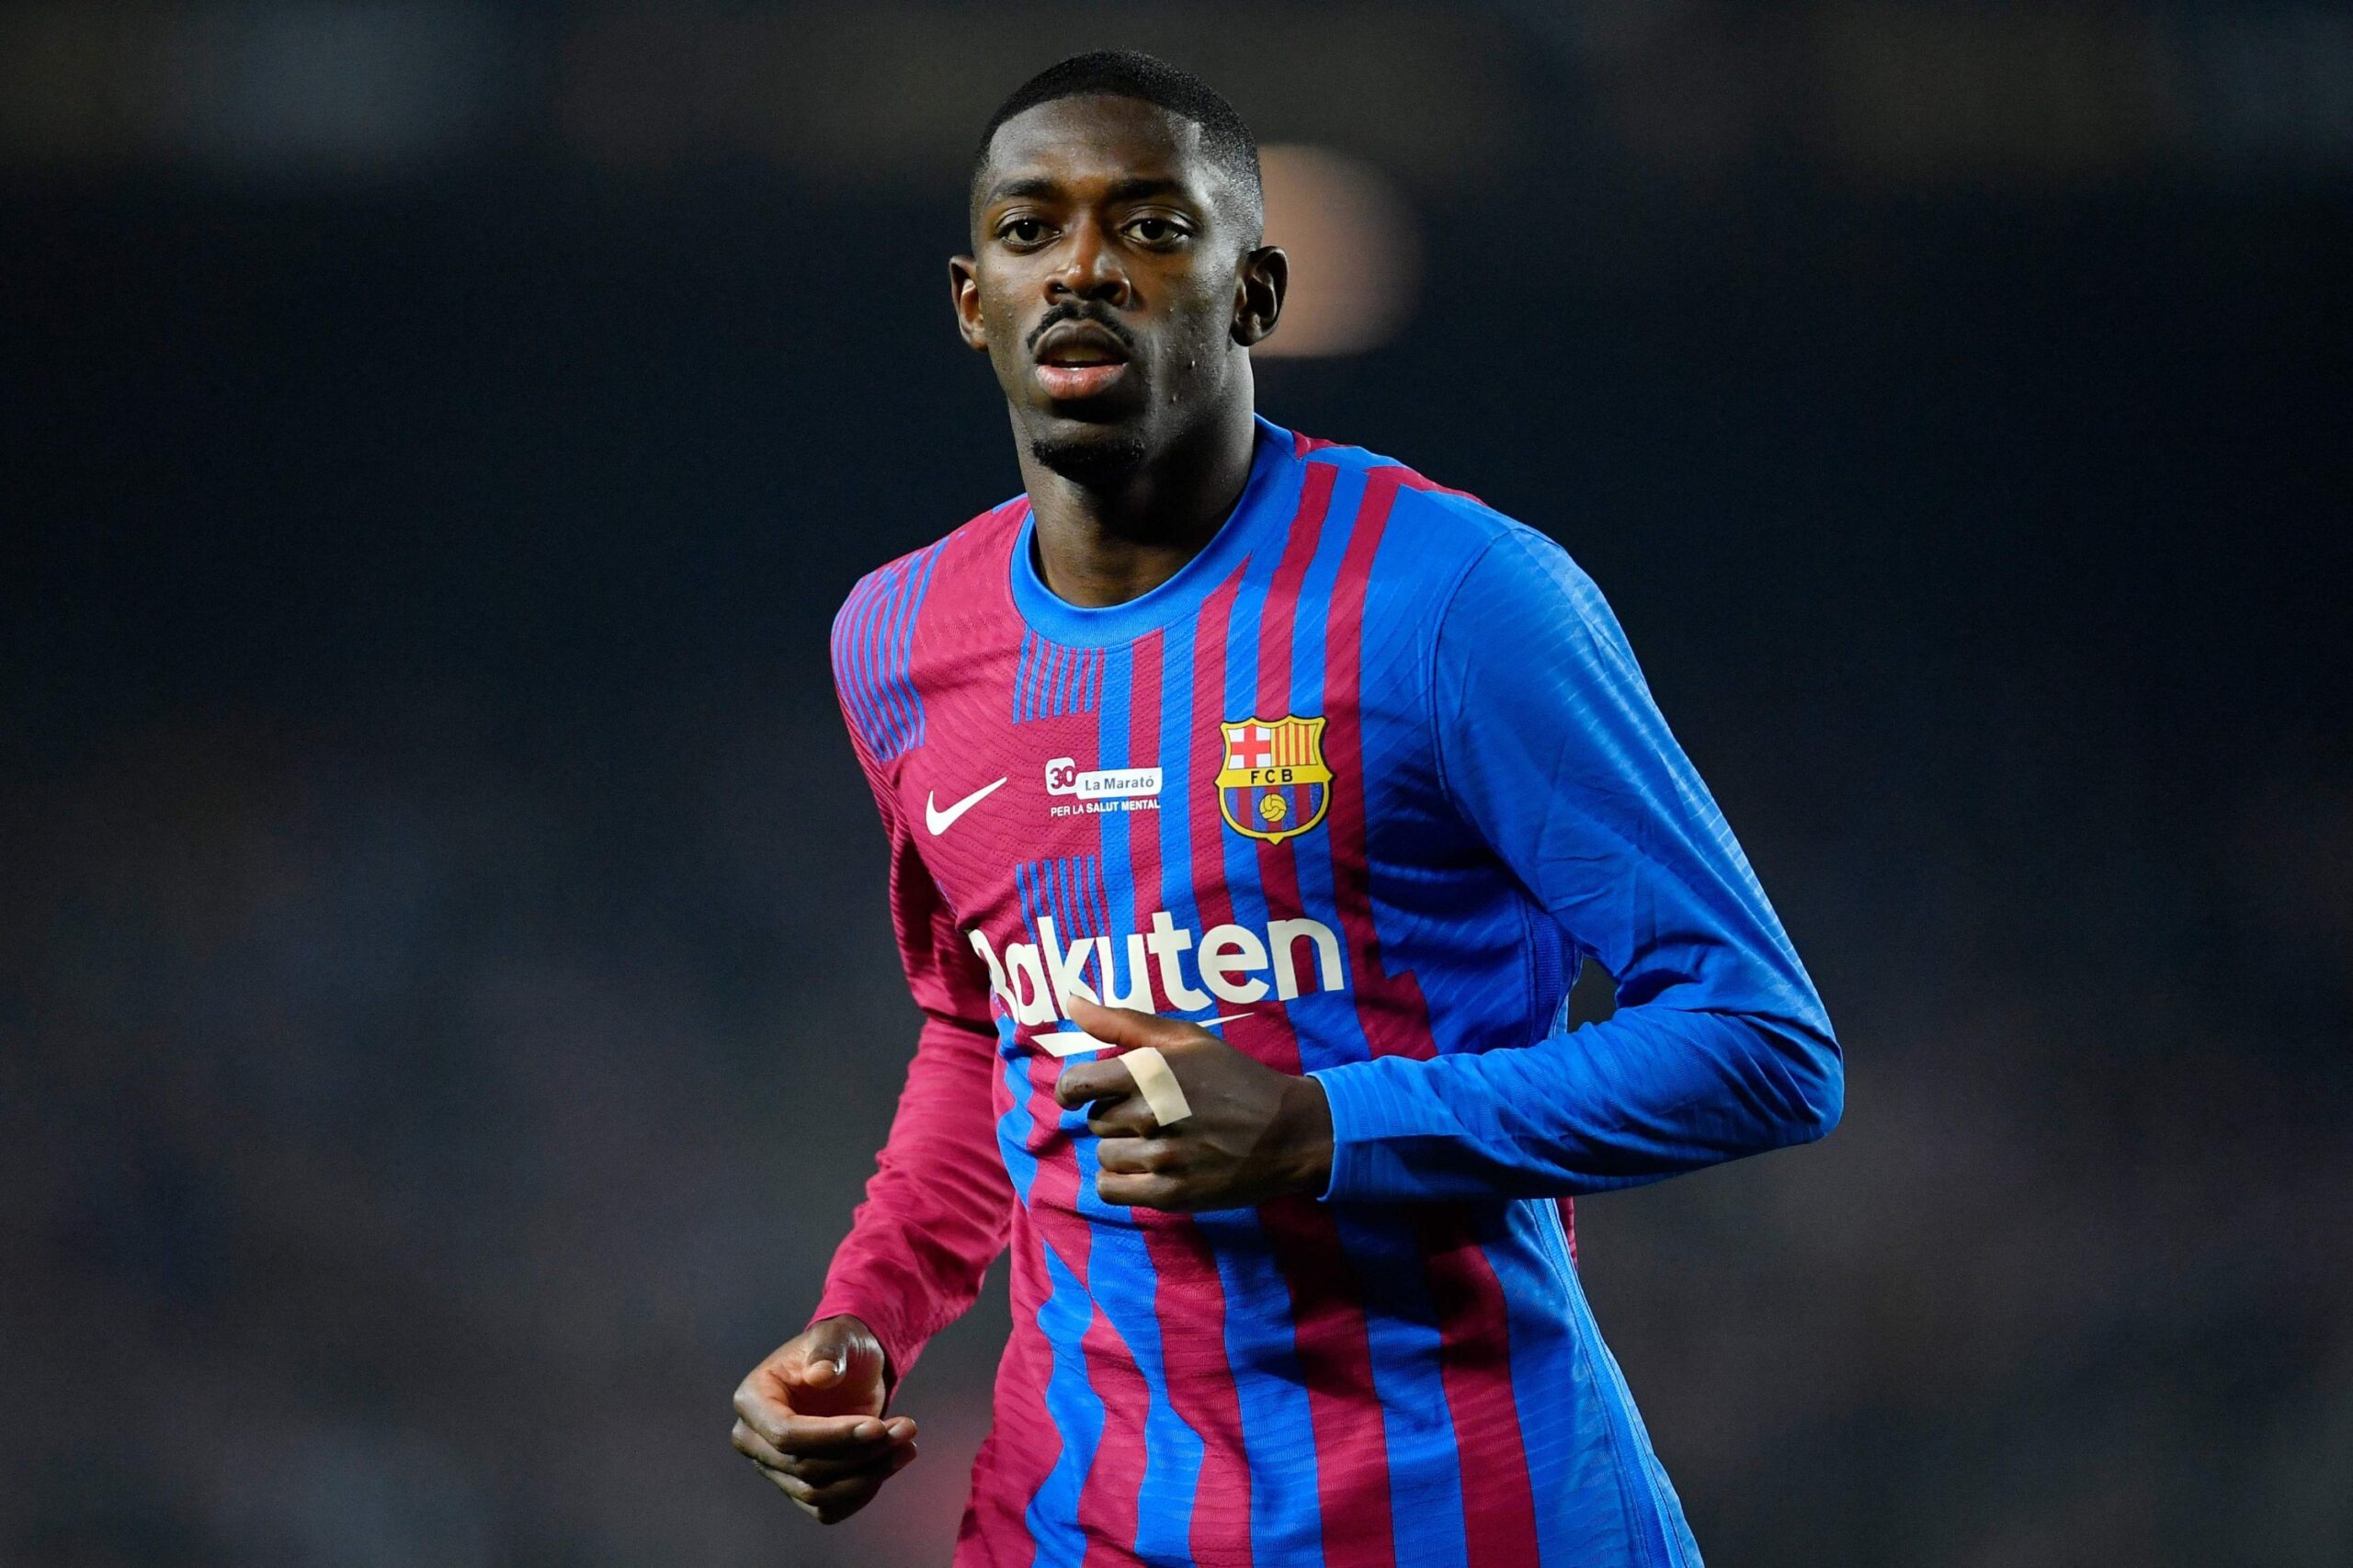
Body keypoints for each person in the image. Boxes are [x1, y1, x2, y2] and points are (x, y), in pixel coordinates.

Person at [730, 49, 1842, 1567]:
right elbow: (988, 1029)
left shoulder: (1454, 600)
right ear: (972, 299)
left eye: (1151, 226)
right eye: (1032, 229)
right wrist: (867, 1312)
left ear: (1254, 292)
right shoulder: (900, 641)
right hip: (1080, 1517)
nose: (1084, 268)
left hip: (1467, 1514)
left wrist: (1325, 1126)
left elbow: (1764, 1044)